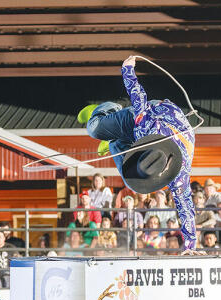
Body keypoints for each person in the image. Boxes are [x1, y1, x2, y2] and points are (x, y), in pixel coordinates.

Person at [80, 55, 197, 251]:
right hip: (145, 115)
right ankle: (111, 109)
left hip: (159, 135)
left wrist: (190, 245)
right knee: (93, 129)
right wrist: (127, 70)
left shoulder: (180, 178)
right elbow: (138, 97)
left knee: (130, 178)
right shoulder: (147, 122)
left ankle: (114, 141)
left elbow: (186, 208)